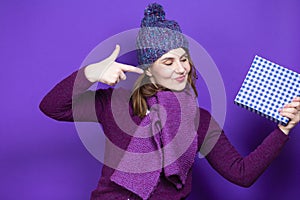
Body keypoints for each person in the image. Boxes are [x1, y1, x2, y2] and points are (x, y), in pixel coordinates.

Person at [39, 3, 300, 200]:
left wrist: (283, 129)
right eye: (168, 61)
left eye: (183, 58)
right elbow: (51, 107)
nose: (181, 69)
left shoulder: (199, 120)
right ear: (149, 69)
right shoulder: (116, 104)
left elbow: (241, 174)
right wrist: (91, 73)